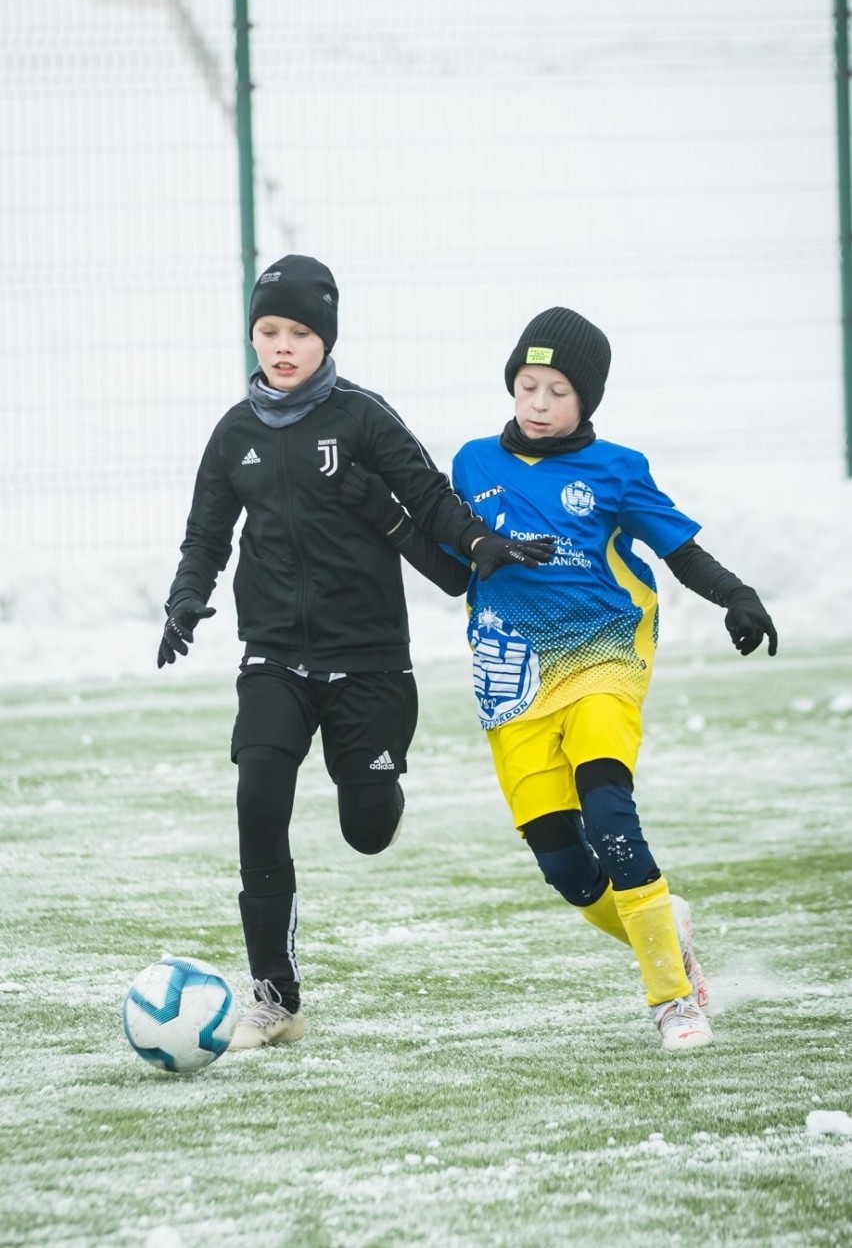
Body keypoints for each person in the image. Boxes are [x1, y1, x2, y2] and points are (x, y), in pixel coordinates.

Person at [343, 305, 777, 1052]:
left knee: (609, 816)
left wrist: (735, 594)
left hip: (602, 657)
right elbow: (455, 572)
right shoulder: (475, 463)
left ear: (588, 401)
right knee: (569, 869)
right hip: (510, 679)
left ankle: (672, 1002)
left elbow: (679, 550)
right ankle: (664, 929)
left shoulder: (616, 471)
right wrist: (386, 519)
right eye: (527, 385)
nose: (538, 404)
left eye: (557, 391)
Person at [156, 254, 554, 1052]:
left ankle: (380, 789)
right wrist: (185, 598)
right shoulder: (233, 433)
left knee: (366, 829)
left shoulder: (363, 418)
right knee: (258, 799)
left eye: (299, 331)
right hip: (274, 657)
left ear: (325, 338)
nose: (282, 345)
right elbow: (207, 533)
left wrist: (480, 543)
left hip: (369, 658)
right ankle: (275, 998)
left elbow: (430, 495)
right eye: (269, 329)